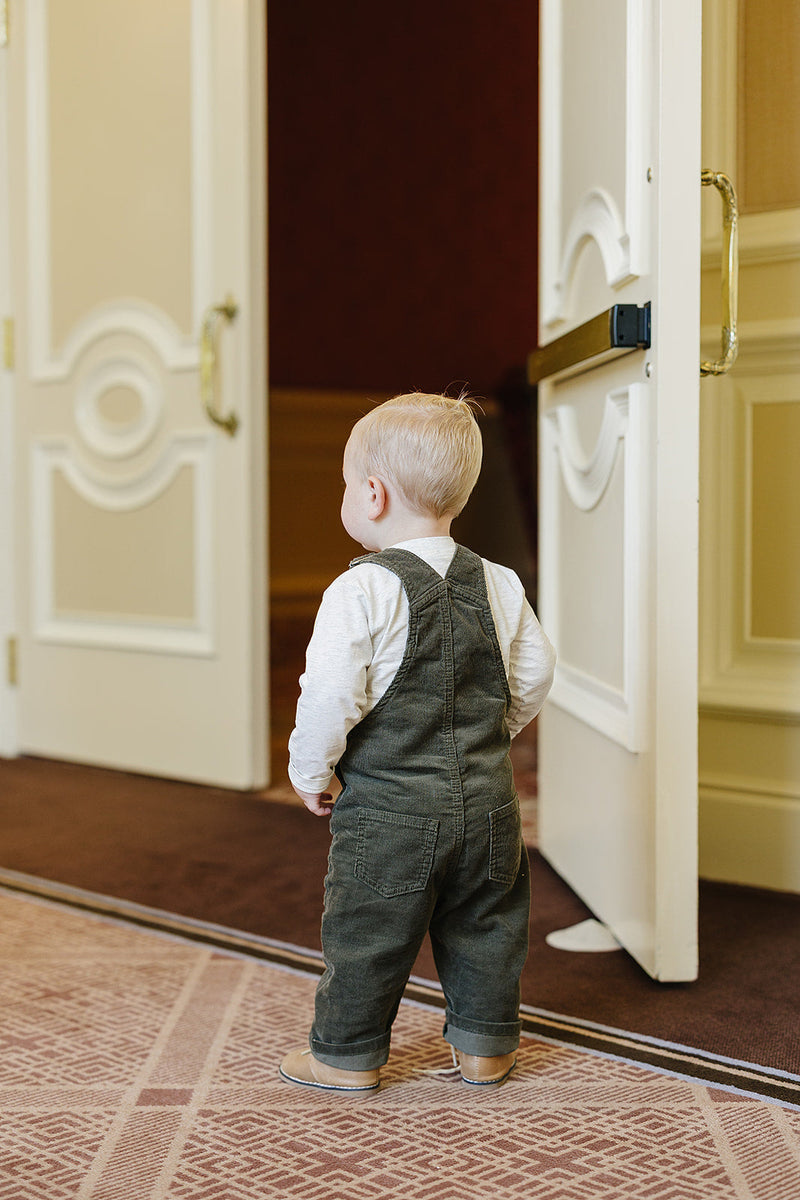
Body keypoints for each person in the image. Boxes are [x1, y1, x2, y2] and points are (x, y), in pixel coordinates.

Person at [279, 392, 556, 1093]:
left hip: (390, 814)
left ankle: (345, 1056)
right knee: (489, 926)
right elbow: (534, 673)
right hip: (492, 806)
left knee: (368, 932)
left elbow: (331, 695)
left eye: (347, 484)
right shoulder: (499, 581)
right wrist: (493, 737)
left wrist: (313, 770)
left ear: (371, 495)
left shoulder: (362, 590)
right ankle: (486, 1048)